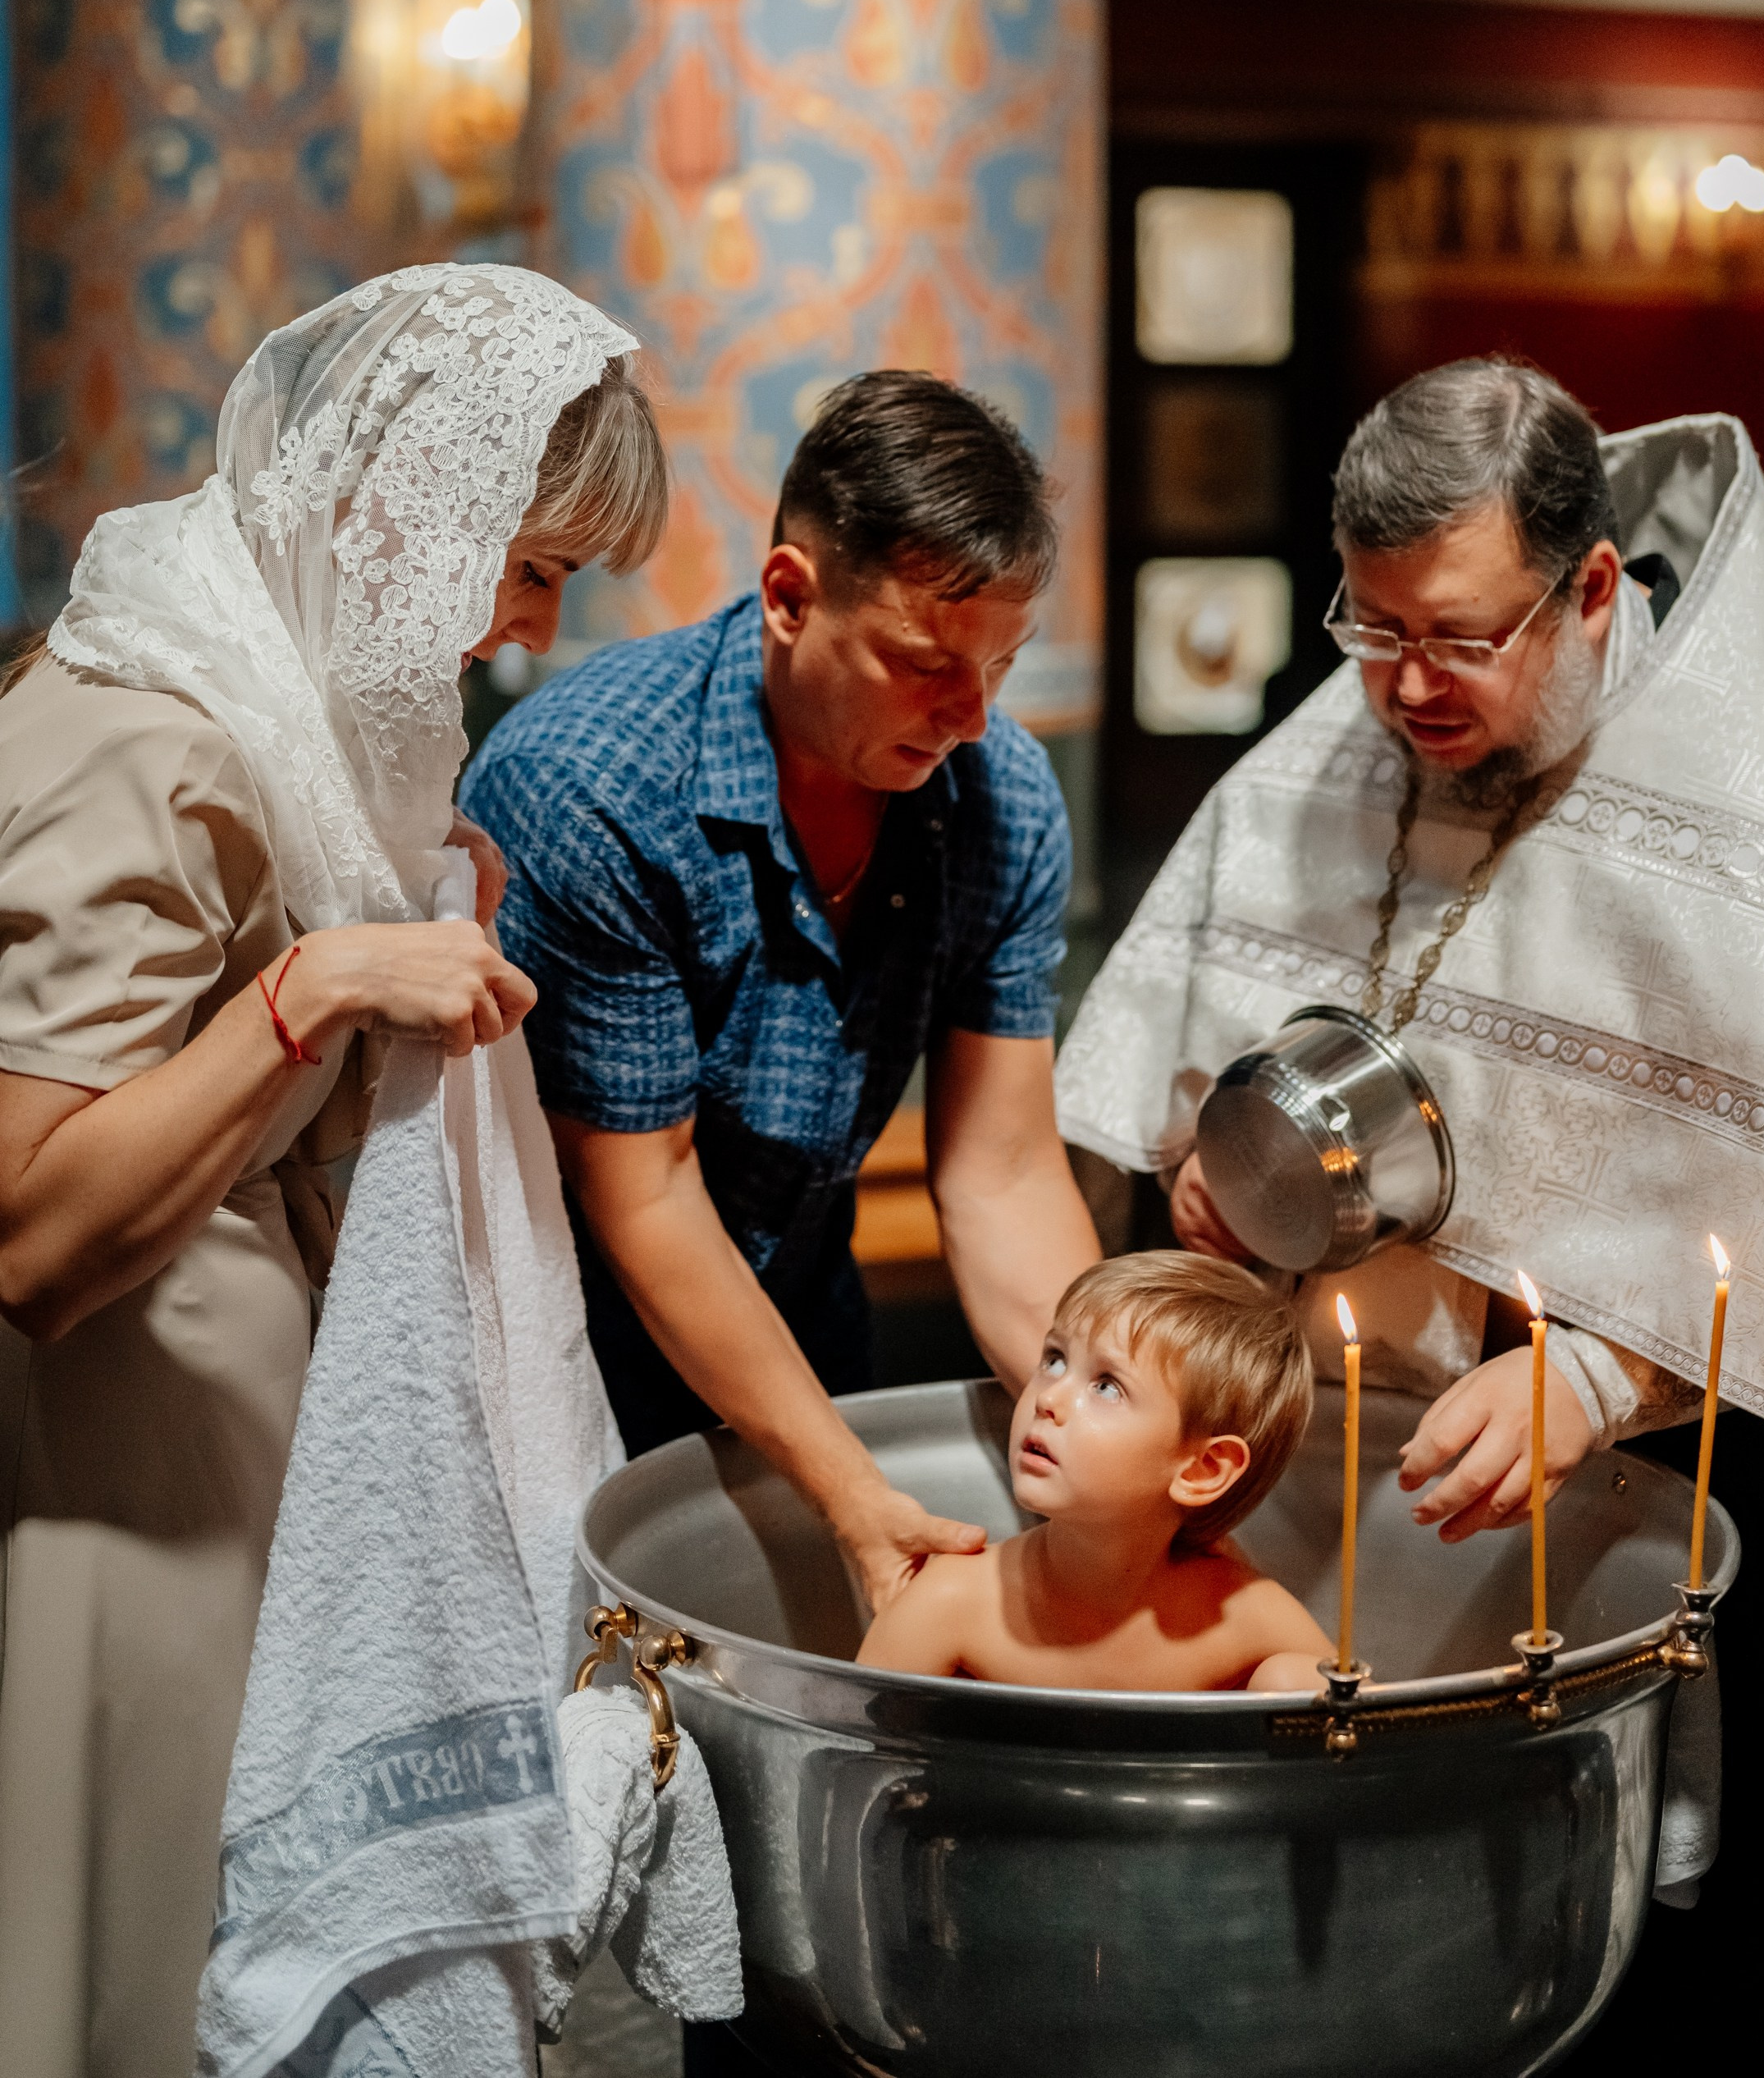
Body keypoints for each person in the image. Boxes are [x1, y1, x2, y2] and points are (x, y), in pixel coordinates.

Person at [1055, 358, 1764, 2070]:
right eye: (1368, 633)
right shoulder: (1346, 736)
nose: (1407, 687)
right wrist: (1219, 1192)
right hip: (1381, 1448)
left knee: (1664, 1970)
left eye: (1459, 635)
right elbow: (1201, 1053)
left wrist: (1598, 1382)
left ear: (1591, 587)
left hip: (1707, 1488)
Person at [0, 266, 667, 2078]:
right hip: (120, 1477)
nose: (520, 628)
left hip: (229, 1451)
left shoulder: (271, 716)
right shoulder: (150, 736)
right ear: (405, 509)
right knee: (115, 1968)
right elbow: (33, 1228)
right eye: (524, 565)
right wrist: (326, 985)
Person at [464, 370, 1104, 1618]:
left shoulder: (1003, 799)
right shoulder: (590, 785)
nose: (970, 719)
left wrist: (1110, 1426)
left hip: (810, 1334)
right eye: (923, 664)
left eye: (1000, 666)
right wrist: (848, 1491)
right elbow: (644, 1192)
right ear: (788, 598)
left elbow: (1005, 1171)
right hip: (551, 1367)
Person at [857, 1251, 1327, 1693]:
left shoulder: (1249, 1618)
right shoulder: (952, 1602)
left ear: (1202, 1469)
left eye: (1107, 1387)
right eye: (1055, 1360)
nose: (1048, 1398)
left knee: (1298, 1683)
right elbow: (842, 1757)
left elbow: (1381, 1749)